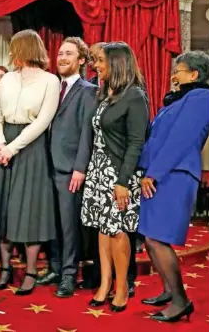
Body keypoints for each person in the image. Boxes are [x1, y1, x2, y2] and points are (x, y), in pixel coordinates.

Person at [0, 29, 60, 296]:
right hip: (4, 145)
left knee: (29, 210)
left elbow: (42, 122)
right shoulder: (7, 80)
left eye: (14, 48)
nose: (11, 53)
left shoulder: (51, 81)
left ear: (26, 49)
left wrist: (12, 148)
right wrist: (0, 143)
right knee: (2, 209)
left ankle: (30, 271)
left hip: (31, 148)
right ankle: (5, 268)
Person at [138, 50, 209, 322]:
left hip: (174, 175)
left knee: (157, 238)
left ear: (194, 74)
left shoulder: (203, 98)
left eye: (178, 69)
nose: (173, 74)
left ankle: (181, 300)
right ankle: (168, 290)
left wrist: (153, 174)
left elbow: (179, 140)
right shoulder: (179, 99)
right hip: (159, 173)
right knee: (149, 235)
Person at [81, 42, 148, 312]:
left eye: (101, 62)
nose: (96, 66)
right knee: (102, 227)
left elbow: (136, 142)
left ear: (117, 63)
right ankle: (105, 283)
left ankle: (121, 287)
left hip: (118, 174)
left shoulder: (135, 96)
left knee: (117, 230)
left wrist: (122, 182)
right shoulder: (106, 95)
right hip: (98, 170)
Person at [37, 37, 97, 298]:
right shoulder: (50, 87)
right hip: (43, 165)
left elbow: (87, 132)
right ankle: (55, 267)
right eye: (60, 53)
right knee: (50, 221)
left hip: (70, 168)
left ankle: (69, 275)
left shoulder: (87, 90)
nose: (61, 58)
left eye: (68, 54)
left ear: (81, 60)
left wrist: (80, 167)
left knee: (69, 225)